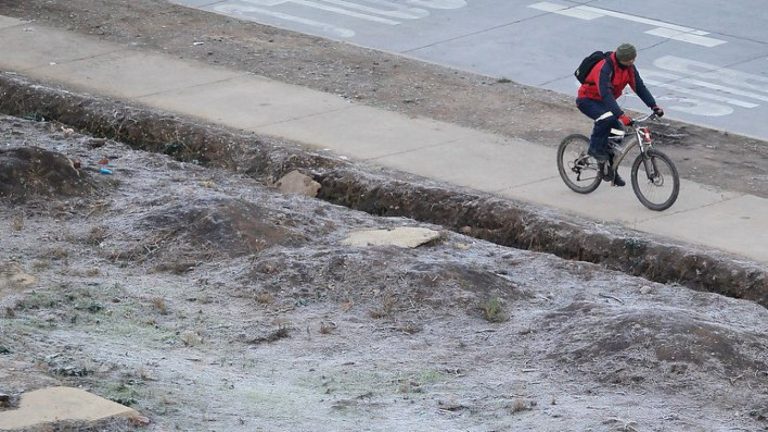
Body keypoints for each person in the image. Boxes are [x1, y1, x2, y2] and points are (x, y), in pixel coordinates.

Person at [576, 43, 664, 186]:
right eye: (629, 60)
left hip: (605, 102)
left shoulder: (629, 68)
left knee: (618, 133)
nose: (632, 62)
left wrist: (653, 105)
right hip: (587, 100)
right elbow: (605, 94)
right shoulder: (605, 68)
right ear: (621, 59)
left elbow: (639, 87)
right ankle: (595, 149)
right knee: (606, 118)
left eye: (633, 59)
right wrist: (620, 115)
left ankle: (610, 171)